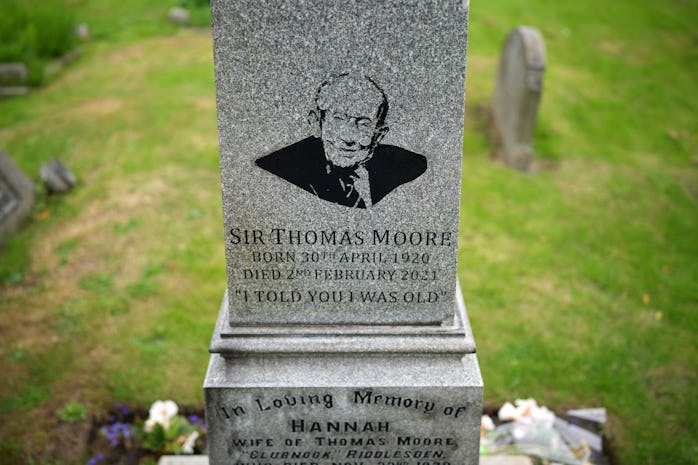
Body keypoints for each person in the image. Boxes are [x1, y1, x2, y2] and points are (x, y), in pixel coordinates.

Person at [255, 73, 427, 208]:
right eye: (338, 119)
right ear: (316, 122)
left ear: (379, 135)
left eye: (364, 124)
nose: (348, 137)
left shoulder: (403, 166)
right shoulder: (282, 167)